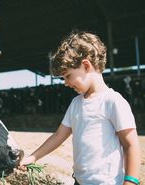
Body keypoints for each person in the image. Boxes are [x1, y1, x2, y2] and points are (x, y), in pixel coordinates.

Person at [19, 31, 141, 185]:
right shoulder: (76, 104)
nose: (65, 83)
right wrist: (32, 157)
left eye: (68, 76)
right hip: (79, 181)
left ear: (86, 65)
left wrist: (130, 181)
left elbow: (131, 145)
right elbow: (58, 136)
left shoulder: (113, 101)